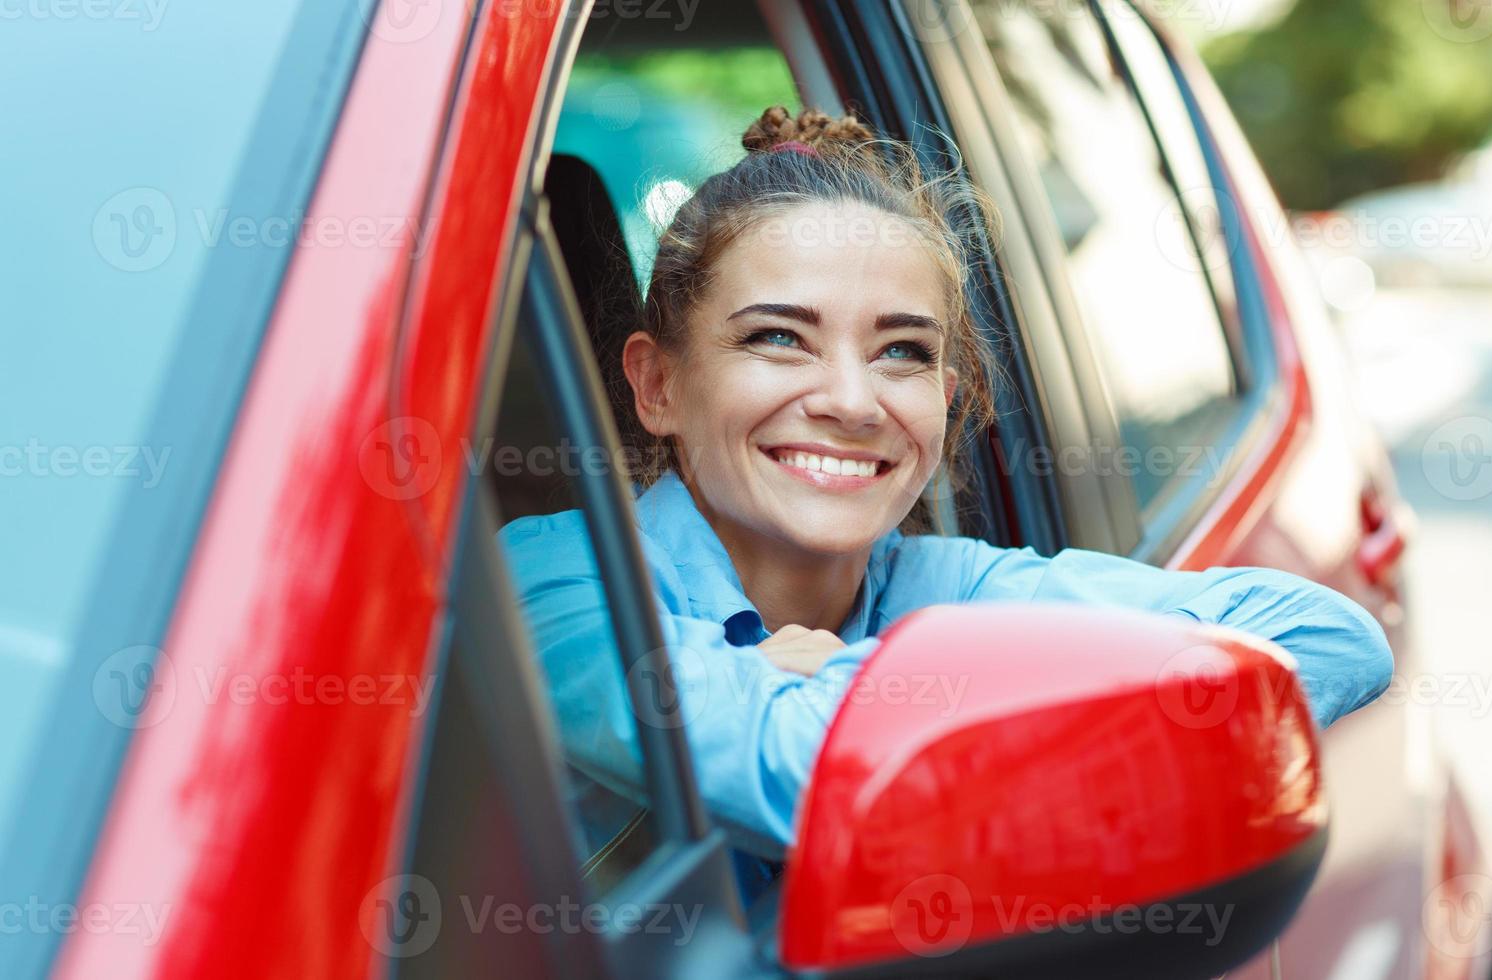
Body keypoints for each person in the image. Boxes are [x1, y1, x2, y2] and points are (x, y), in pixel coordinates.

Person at [500, 106, 1393, 859]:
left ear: (945, 402)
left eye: (902, 352)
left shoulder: (954, 585)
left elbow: (1331, 639)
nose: (853, 401)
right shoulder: (550, 585)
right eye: (778, 337)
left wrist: (852, 675)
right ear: (659, 385)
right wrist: (971, 690)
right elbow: (805, 772)